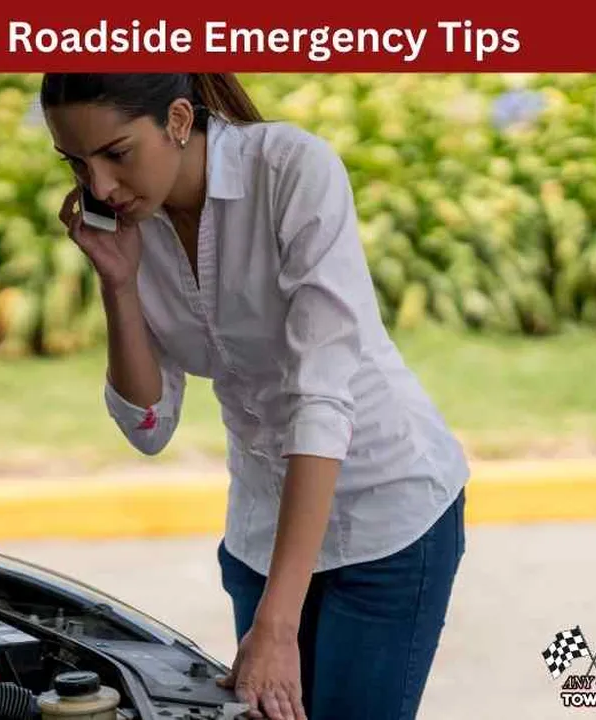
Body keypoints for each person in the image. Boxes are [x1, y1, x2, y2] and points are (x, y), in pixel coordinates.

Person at [40, 73, 469, 720]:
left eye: (117, 153)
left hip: (385, 520)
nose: (99, 187)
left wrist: (276, 623)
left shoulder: (292, 170)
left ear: (179, 119)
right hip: (261, 535)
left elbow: (321, 400)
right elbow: (148, 426)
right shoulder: (135, 222)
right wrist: (119, 283)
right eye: (77, 163)